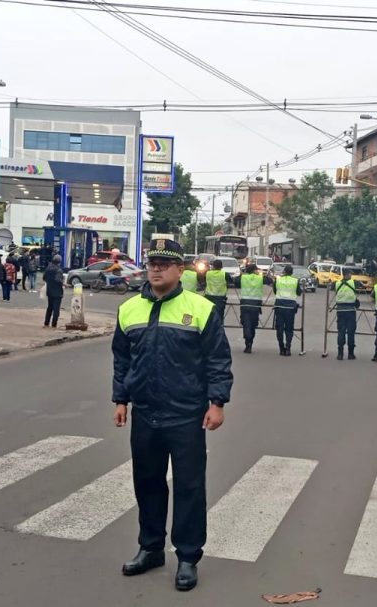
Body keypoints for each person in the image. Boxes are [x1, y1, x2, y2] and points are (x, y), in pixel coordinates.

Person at [112, 238, 232, 592]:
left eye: (165, 263)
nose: (156, 268)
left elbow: (217, 359)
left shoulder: (201, 308)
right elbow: (122, 359)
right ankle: (150, 548)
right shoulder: (129, 309)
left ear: (181, 270)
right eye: (152, 263)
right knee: (147, 484)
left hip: (187, 415)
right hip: (145, 414)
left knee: (189, 487)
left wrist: (217, 402)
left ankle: (188, 556)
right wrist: (121, 399)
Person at [272, 264, 301, 356]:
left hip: (279, 306)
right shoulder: (295, 281)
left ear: (284, 271)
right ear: (292, 273)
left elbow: (275, 291)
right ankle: (288, 348)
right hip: (290, 308)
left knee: (279, 328)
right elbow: (299, 293)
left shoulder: (278, 280)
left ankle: (281, 348)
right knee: (289, 329)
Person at [236, 263, 263, 354]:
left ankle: (247, 343)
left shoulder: (243, 278)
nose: (258, 271)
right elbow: (270, 281)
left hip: (245, 305)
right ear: (253, 270)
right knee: (253, 325)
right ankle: (250, 342)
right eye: (256, 270)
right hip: (255, 305)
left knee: (246, 324)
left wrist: (241, 274)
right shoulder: (260, 278)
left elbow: (235, 282)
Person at [334, 268, 360, 360]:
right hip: (351, 311)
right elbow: (361, 286)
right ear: (347, 274)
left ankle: (340, 354)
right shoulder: (354, 283)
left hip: (340, 311)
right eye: (350, 274)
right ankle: (350, 354)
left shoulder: (337, 284)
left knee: (341, 331)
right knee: (351, 332)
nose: (351, 275)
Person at [43, 254, 64, 329]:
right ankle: (54, 324)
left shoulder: (48, 268)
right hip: (57, 292)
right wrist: (64, 283)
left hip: (49, 291)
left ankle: (46, 323)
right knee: (56, 310)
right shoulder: (59, 270)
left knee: (49, 308)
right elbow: (58, 280)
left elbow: (44, 278)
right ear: (59, 262)